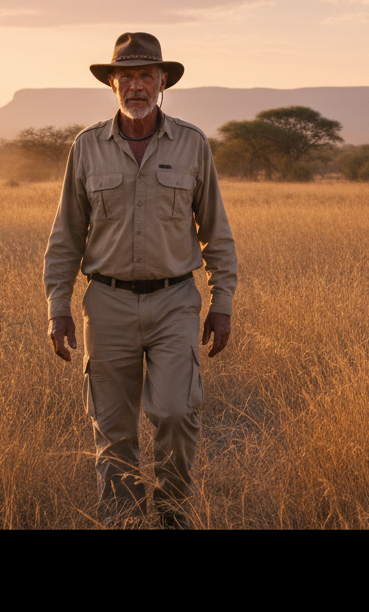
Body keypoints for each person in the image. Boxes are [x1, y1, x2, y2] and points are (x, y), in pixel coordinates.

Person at [44, 32, 237, 529]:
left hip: (175, 302)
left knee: (175, 413)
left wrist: (223, 301)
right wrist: (57, 306)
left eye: (145, 76)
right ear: (111, 84)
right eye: (125, 76)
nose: (135, 86)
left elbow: (215, 229)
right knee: (113, 429)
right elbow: (65, 234)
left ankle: (173, 515)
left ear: (162, 83)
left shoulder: (192, 144)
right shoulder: (86, 148)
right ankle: (124, 520)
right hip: (105, 305)